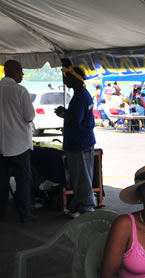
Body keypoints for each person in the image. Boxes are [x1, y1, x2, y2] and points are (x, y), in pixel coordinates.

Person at [0, 60, 35, 221]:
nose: (22, 75)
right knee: (23, 181)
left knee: (0, 182)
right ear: (13, 71)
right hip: (20, 145)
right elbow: (29, 116)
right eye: (21, 71)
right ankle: (25, 214)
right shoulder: (20, 91)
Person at [54, 65, 96, 218]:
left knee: (82, 178)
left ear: (75, 79)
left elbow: (75, 120)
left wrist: (63, 114)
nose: (65, 80)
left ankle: (86, 208)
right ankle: (79, 205)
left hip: (80, 143)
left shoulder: (80, 97)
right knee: (80, 177)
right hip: (81, 141)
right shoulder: (82, 94)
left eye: (67, 77)